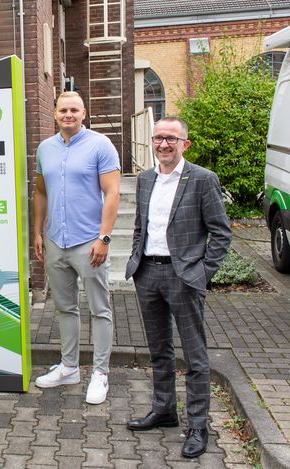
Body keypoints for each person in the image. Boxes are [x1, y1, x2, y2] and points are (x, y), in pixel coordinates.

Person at [125, 117, 231, 458]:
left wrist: (202, 273)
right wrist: (135, 259)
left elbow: (221, 233)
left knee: (196, 356)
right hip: (148, 274)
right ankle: (165, 410)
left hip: (184, 277)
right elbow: (141, 226)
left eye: (171, 138)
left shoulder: (202, 179)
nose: (163, 144)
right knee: (159, 351)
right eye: (158, 138)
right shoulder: (145, 179)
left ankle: (198, 425)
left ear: (184, 143)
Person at [33, 91, 120, 405]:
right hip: (57, 241)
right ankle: (69, 367)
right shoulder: (45, 149)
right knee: (65, 307)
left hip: (89, 241)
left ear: (84, 113)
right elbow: (40, 192)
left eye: (74, 110)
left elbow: (112, 193)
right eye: (63, 110)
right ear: (55, 114)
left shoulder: (100, 145)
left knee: (100, 309)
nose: (68, 115)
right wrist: (38, 233)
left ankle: (100, 373)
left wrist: (104, 238)